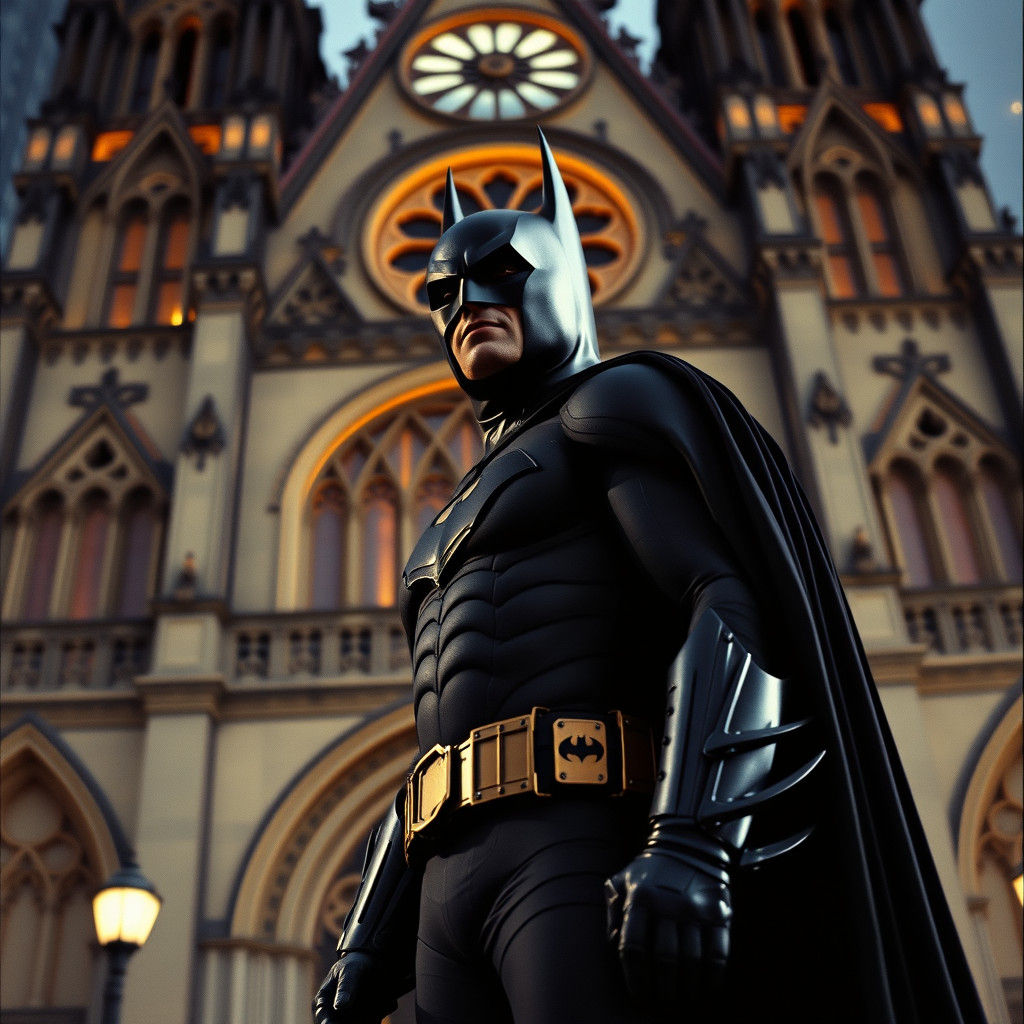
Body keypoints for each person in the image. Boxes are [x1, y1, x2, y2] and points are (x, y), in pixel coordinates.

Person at [313, 132, 985, 1024]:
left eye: (504, 270)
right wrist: (365, 946)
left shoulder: (610, 407)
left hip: (574, 842)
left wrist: (693, 841)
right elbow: (439, 747)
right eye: (442, 291)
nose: (469, 302)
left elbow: (723, 597)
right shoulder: (447, 517)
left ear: (564, 277)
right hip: (444, 881)